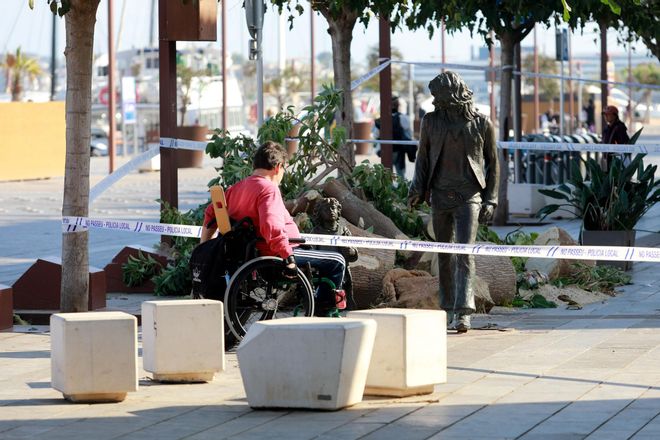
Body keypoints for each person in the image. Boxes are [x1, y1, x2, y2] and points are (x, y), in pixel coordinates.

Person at [201, 141, 347, 315]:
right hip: (275, 253)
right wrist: (288, 256)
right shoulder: (268, 189)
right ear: (278, 167)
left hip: (251, 254)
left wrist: (205, 247)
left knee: (318, 255)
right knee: (337, 261)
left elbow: (211, 214)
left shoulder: (236, 189)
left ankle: (317, 304)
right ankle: (322, 312)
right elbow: (271, 226)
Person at [407, 71, 499, 333]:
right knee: (444, 254)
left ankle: (464, 312)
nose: (435, 102)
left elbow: (494, 164)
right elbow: (422, 159)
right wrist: (417, 189)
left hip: (469, 196)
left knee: (464, 253)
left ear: (452, 95)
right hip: (440, 195)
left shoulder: (482, 123)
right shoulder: (431, 122)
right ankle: (447, 308)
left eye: (439, 96)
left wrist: (490, 200)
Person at [374, 96, 415, 177]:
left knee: (386, 175)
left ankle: (388, 189)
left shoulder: (380, 120)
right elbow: (409, 134)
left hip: (386, 150)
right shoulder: (403, 118)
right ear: (397, 106)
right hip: (399, 149)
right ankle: (401, 188)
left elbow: (376, 135)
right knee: (401, 174)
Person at [601, 105, 630, 171]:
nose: (606, 116)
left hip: (617, 162)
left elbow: (625, 143)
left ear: (614, 115)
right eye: (605, 114)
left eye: (608, 114)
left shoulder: (620, 127)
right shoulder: (607, 128)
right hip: (607, 160)